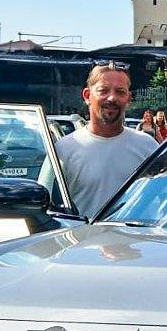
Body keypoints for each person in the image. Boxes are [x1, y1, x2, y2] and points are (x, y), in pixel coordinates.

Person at [55, 61, 157, 216]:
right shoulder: (63, 150)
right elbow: (47, 209)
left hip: (135, 239)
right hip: (83, 239)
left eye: (120, 92)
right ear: (87, 96)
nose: (111, 98)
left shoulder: (148, 148)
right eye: (103, 91)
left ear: (128, 99)